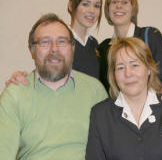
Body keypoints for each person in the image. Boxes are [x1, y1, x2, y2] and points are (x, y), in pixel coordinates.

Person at [0, 13, 107, 160]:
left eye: (62, 41)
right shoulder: (15, 94)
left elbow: (110, 148)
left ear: (73, 48)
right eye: (45, 42)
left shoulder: (95, 91)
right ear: (32, 50)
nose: (54, 49)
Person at [86, 38, 162, 160]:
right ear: (113, 75)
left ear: (148, 69)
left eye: (134, 65)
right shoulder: (100, 115)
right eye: (120, 67)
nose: (128, 73)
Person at [5, 0, 102, 86]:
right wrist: (20, 78)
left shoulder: (94, 44)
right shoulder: (62, 42)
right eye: (85, 4)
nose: (92, 11)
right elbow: (46, 71)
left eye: (97, 6)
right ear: (71, 5)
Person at [99, 0, 162, 101]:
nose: (119, 6)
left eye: (125, 2)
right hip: (116, 115)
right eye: (114, 2)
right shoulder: (103, 48)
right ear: (107, 9)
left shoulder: (150, 36)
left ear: (133, 9)